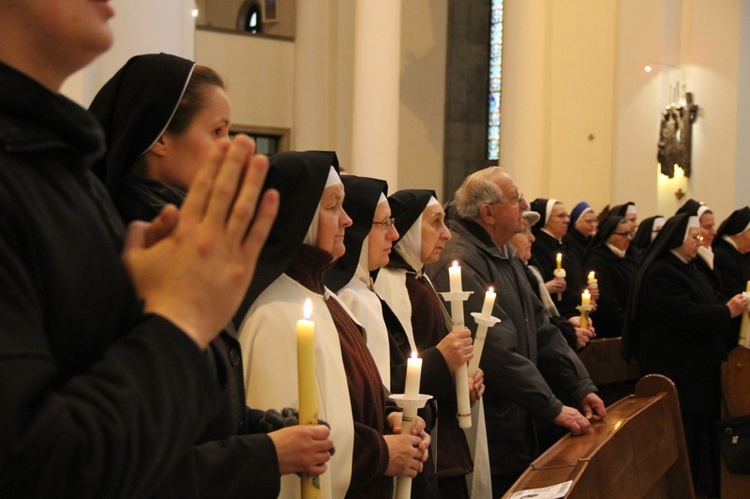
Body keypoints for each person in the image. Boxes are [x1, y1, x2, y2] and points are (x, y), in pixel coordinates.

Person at [0, 1, 281, 496]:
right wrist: (177, 321)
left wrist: (132, 311)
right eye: (216, 132)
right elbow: (38, 467)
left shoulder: (63, 173)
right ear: (158, 139)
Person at [88, 53, 334, 497]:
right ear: (161, 137)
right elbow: (125, 456)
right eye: (217, 131)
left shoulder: (191, 234)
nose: (229, 147)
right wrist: (266, 454)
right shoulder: (122, 245)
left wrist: (258, 426)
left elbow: (191, 404)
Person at [237, 152, 429, 499]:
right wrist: (382, 453)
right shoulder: (275, 314)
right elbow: (296, 445)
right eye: (332, 207)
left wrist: (392, 417)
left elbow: (359, 390)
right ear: (300, 216)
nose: (347, 220)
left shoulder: (324, 297)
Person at [427, 167, 606, 496]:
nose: (524, 204)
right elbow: (497, 352)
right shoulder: (462, 262)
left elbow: (543, 328)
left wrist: (579, 386)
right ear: (488, 213)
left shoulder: (505, 254)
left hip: (517, 417)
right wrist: (550, 406)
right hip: (491, 421)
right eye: (515, 199)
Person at [324, 175, 444, 498]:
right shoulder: (349, 298)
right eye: (383, 224)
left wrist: (394, 413)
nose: (394, 233)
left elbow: (379, 395)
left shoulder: (362, 291)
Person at [622, 213, 749, 497]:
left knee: (703, 438)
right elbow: (685, 313)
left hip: (699, 372)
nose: (699, 241)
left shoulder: (689, 266)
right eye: (693, 237)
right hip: (679, 372)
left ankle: (705, 487)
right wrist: (727, 311)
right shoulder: (662, 272)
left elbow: (706, 302)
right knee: (687, 438)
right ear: (678, 239)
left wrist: (724, 309)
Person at [374, 189, 482, 498]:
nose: (446, 234)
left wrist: (463, 380)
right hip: (421, 439)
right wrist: (444, 362)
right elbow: (395, 373)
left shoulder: (420, 280)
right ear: (408, 231)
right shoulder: (392, 287)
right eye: (436, 223)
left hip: (442, 438)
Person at [509, 211, 595, 351]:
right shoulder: (514, 274)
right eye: (524, 232)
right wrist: (569, 333)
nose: (532, 238)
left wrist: (570, 322)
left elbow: (545, 318)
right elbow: (534, 327)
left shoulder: (530, 270)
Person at [528, 198, 594, 317]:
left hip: (576, 308)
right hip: (561, 312)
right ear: (547, 219)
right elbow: (554, 285)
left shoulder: (566, 244)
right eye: (561, 216)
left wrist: (587, 292)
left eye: (567, 216)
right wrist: (581, 299)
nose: (567, 220)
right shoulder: (538, 246)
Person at [583, 216, 639, 338]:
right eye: (624, 234)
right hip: (612, 330)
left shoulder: (631, 256)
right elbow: (607, 303)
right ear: (608, 235)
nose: (629, 238)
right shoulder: (597, 260)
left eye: (630, 233)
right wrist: (630, 326)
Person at [712, 206, 750, 348]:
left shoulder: (739, 255)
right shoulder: (722, 256)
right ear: (740, 233)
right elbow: (732, 293)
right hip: (729, 332)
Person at [676, 199, 723, 300]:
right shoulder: (690, 259)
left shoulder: (711, 255)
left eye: (713, 226)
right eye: (707, 227)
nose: (714, 232)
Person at [563, 201, 597, 266]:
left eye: (595, 221)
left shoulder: (592, 240)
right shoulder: (568, 241)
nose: (593, 225)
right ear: (577, 223)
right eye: (588, 221)